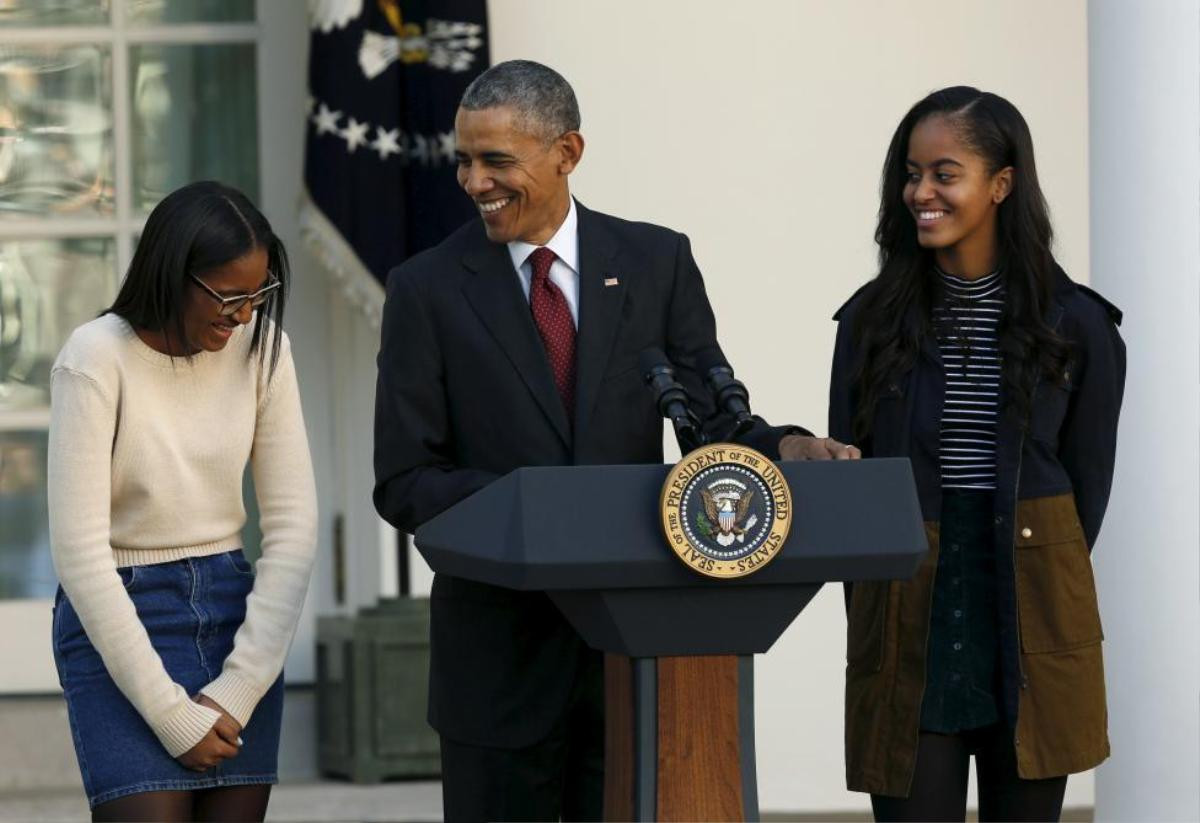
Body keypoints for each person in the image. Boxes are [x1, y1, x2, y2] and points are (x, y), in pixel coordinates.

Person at [373, 59, 852, 822]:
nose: (473, 180)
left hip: (640, 664)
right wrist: (537, 513)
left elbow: (713, 425)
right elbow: (404, 479)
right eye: (463, 159)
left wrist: (787, 447)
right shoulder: (425, 288)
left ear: (567, 153)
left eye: (497, 160)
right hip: (498, 670)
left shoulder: (656, 263)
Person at [830, 87, 1125, 821]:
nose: (919, 193)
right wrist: (875, 597)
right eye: (910, 173)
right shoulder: (870, 322)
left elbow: (1087, 491)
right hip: (905, 609)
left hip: (1031, 603)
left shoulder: (1079, 325)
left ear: (1002, 183)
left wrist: (1033, 567)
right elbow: (851, 482)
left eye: (943, 173)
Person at [47, 181, 318, 822]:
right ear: (173, 276)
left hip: (236, 618)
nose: (244, 314)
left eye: (258, 295)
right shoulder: (94, 359)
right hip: (119, 617)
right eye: (229, 296)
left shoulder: (265, 350)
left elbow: (293, 528)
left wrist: (242, 684)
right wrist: (171, 713)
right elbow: (80, 555)